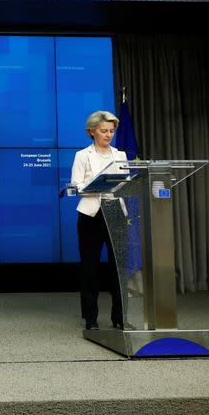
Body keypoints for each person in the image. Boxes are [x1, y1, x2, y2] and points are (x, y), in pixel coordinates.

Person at [70, 110, 127, 330]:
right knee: (90, 268)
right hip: (91, 214)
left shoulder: (120, 155)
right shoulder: (82, 155)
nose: (108, 135)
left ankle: (120, 317)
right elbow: (76, 186)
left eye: (111, 131)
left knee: (118, 268)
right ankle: (91, 319)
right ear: (92, 131)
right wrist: (97, 185)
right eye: (104, 131)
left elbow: (125, 182)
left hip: (115, 211)